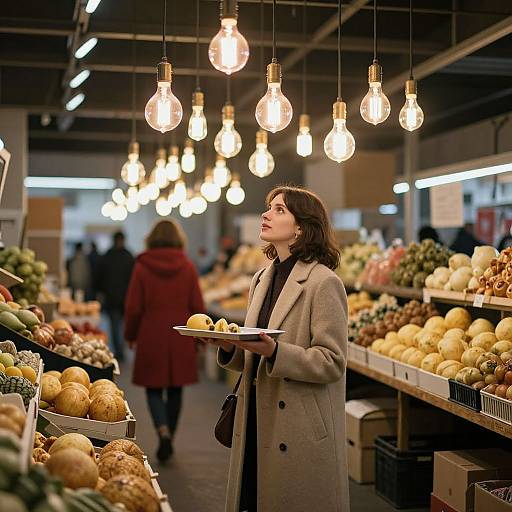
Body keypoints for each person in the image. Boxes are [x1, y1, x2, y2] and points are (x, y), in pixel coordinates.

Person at [198, 186, 349, 512]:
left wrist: (275, 352)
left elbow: (332, 362)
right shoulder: (262, 278)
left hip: (297, 426)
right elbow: (255, 350)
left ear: (301, 227)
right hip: (256, 413)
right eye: (269, 208)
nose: (266, 214)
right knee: (253, 498)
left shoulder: (324, 283)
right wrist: (229, 347)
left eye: (279, 209)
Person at [124, 220, 204, 463]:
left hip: (152, 332)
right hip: (181, 332)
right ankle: (170, 433)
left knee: (154, 387)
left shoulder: (142, 267)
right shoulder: (188, 266)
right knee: (176, 387)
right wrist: (199, 337)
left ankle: (162, 431)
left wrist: (130, 334)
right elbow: (197, 306)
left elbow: (133, 307)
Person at [97, 232, 134, 362]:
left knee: (116, 325)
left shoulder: (108, 256)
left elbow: (100, 276)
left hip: (113, 297)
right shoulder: (128, 256)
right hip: (123, 297)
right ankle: (120, 350)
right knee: (119, 325)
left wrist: (101, 292)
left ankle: (119, 350)